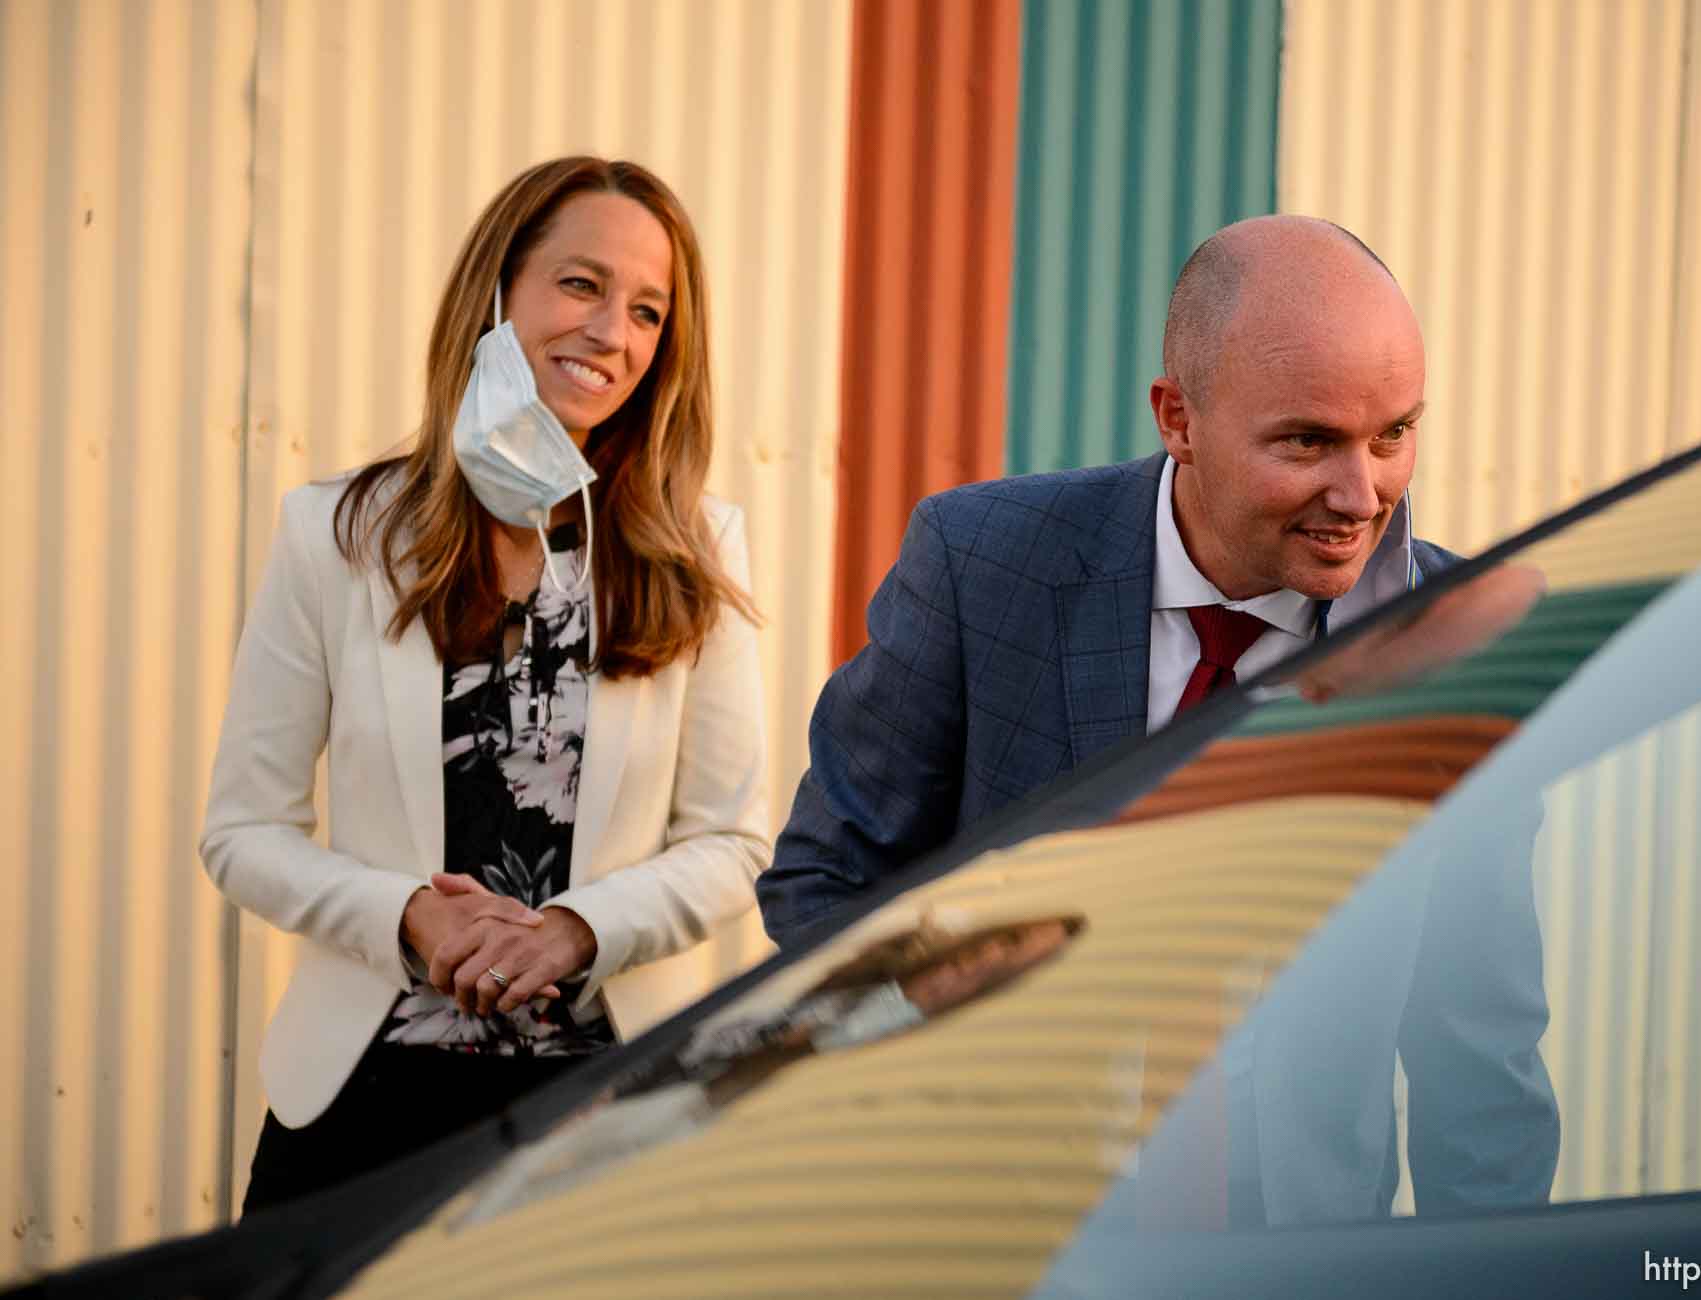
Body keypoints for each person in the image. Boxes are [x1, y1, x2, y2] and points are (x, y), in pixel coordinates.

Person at [757, 215, 1558, 1219]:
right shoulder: (983, 565)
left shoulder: (1460, 646)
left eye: (1394, 433)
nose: (1364, 494)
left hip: (1302, 1272)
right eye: (1309, 440)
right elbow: (824, 884)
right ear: (1178, 418)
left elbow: (1480, 1067)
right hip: (985, 1248)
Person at [200, 156, 770, 1214]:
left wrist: (577, 929)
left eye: (649, 311)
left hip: (612, 1110)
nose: (612, 333)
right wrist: (409, 913)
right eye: (581, 284)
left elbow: (733, 842)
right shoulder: (336, 536)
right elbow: (241, 830)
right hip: (365, 1105)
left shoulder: (697, 548)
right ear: (497, 293)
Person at [455, 916, 1082, 1226]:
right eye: (1002, 942)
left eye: (1004, 967)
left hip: (692, 1150)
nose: (982, 960)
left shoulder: (908, 1056)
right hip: (636, 1083)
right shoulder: (859, 971)